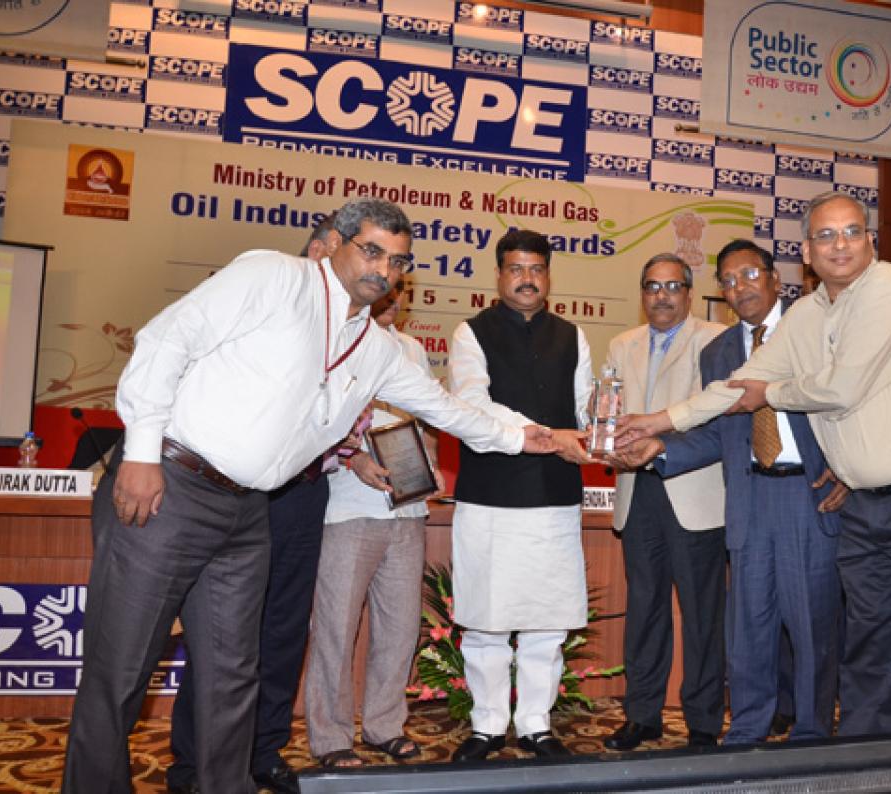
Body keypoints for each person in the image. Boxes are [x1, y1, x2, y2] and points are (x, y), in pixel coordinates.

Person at [62, 199, 555, 794]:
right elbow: (167, 339)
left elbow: (446, 409)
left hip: (247, 514)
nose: (383, 269)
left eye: (397, 261)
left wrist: (525, 437)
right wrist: (140, 453)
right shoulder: (273, 277)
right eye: (371, 250)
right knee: (120, 671)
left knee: (233, 674)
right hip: (171, 485)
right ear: (336, 242)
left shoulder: (374, 349)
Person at [617, 191, 891, 794]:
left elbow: (838, 388)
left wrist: (771, 392)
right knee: (866, 660)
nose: (840, 245)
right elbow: (740, 386)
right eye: (826, 236)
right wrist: (657, 423)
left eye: (851, 233)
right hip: (868, 505)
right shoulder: (810, 315)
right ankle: (868, 781)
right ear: (807, 253)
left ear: (871, 241)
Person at [611, 240, 846, 744]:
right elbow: (719, 431)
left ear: (773, 277)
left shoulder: (813, 327)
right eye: (730, 280)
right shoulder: (720, 351)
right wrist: (661, 449)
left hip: (808, 493)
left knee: (810, 628)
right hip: (746, 497)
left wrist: (851, 468)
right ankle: (747, 730)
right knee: (748, 628)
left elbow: (851, 398)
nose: (740, 288)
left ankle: (810, 735)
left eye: (749, 275)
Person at [165, 215, 338, 794]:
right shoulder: (266, 299)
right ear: (320, 250)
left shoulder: (347, 329)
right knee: (226, 632)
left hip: (307, 492)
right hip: (246, 491)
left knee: (286, 630)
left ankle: (264, 751)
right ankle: (194, 763)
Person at [447, 228, 593, 762]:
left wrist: (601, 433)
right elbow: (470, 404)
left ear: (548, 276)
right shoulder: (471, 333)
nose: (527, 279)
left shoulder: (573, 335)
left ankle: (535, 723)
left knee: (546, 624)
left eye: (536, 269)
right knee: (485, 622)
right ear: (499, 275)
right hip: (489, 496)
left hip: (554, 497)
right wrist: (551, 437)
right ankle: (486, 724)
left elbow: (585, 410)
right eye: (516, 269)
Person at [303, 280, 439, 769]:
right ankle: (331, 735)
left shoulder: (412, 350)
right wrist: (352, 458)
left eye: (398, 292)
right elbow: (311, 421)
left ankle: (385, 725)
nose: (390, 299)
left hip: (408, 510)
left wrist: (432, 465)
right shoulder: (336, 346)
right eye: (383, 290)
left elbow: (425, 420)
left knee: (400, 628)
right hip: (348, 506)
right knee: (336, 628)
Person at [601, 253, 727, 750]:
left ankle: (702, 721)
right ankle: (643, 714)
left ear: (690, 293)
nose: (662, 295)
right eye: (652, 286)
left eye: (673, 286)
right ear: (642, 293)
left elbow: (719, 421)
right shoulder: (620, 344)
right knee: (645, 609)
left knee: (702, 615)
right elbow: (605, 412)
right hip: (638, 491)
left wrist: (661, 447)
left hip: (693, 486)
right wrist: (608, 445)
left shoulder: (715, 341)